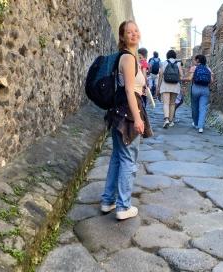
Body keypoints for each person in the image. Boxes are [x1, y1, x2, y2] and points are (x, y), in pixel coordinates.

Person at [101, 20, 153, 220]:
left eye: (136, 30)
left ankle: (108, 201)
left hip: (118, 112)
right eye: (129, 32)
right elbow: (131, 92)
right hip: (128, 114)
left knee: (117, 157)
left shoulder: (129, 57)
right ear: (122, 37)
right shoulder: (129, 59)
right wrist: (138, 119)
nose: (134, 34)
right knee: (129, 159)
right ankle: (123, 206)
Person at [186, 54, 213, 133]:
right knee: (203, 108)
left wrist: (182, 79)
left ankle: (196, 123)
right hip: (205, 89)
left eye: (195, 60)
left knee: (194, 107)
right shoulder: (208, 68)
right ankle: (201, 127)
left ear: (197, 60)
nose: (194, 61)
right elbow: (211, 81)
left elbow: (190, 78)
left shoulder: (194, 68)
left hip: (195, 88)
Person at [156, 50, 183, 128]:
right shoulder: (178, 63)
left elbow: (160, 75)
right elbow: (181, 75)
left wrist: (158, 87)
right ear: (175, 56)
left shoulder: (164, 63)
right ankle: (171, 121)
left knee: (166, 103)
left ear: (167, 56)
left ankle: (166, 119)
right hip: (175, 86)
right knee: (172, 103)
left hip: (165, 85)